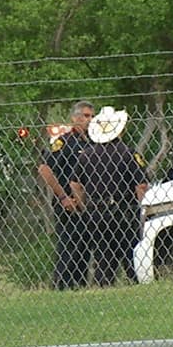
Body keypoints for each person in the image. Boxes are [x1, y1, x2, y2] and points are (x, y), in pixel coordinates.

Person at [71, 106, 148, 287]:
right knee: (130, 252)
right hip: (124, 210)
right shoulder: (129, 154)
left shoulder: (87, 155)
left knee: (103, 255)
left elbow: (75, 184)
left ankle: (104, 286)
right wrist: (143, 209)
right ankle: (136, 283)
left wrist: (84, 205)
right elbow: (141, 185)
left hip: (96, 211)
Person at [38, 100, 95, 290]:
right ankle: (60, 285)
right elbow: (45, 169)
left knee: (85, 247)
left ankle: (79, 285)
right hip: (68, 203)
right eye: (86, 116)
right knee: (69, 246)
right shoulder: (65, 142)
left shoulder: (94, 142)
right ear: (75, 118)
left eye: (92, 116)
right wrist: (62, 197)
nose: (89, 120)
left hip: (88, 203)